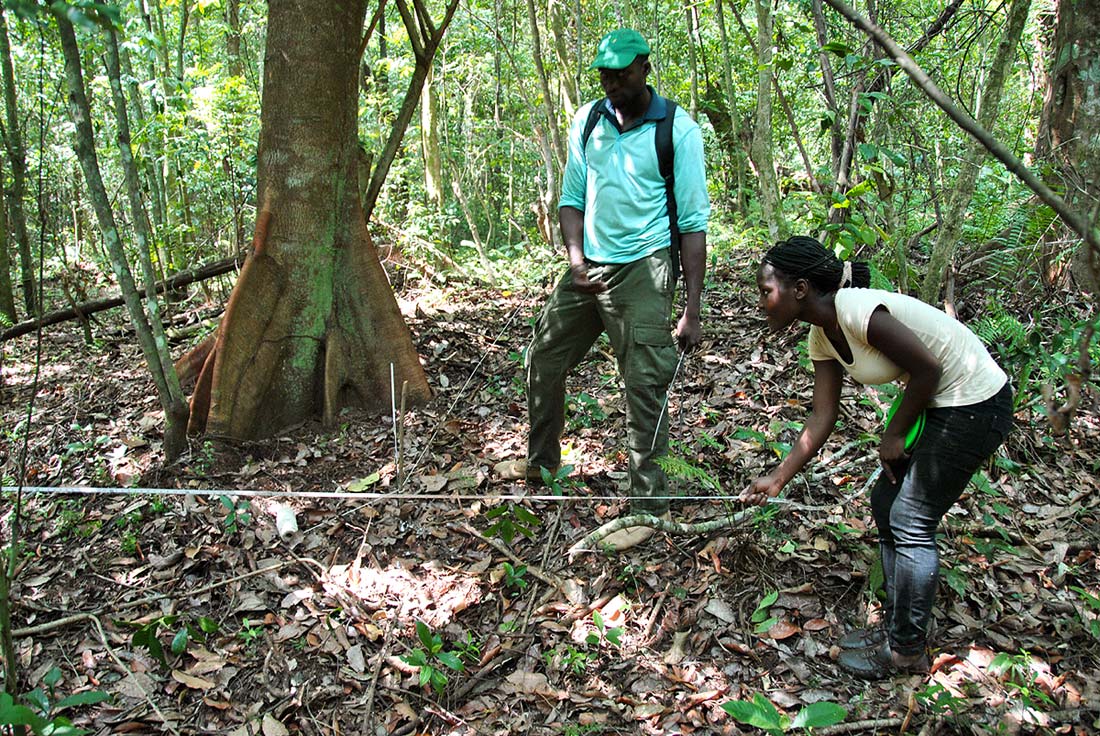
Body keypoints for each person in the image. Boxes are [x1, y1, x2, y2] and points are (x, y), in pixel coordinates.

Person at [742, 235, 1013, 679]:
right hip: (941, 403)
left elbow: (929, 368)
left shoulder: (855, 309)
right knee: (887, 504)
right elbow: (822, 416)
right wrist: (777, 479)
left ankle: (906, 651)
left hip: (976, 401)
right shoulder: (821, 336)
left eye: (765, 291)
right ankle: (895, 627)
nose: (761, 302)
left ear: (800, 289)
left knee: (911, 519)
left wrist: (895, 433)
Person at [495, 29, 710, 550]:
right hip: (587, 266)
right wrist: (573, 260)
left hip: (645, 267)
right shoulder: (588, 120)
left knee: (643, 379)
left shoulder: (678, 131)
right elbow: (571, 197)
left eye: (621, 73)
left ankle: (647, 506)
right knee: (543, 356)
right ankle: (541, 464)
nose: (611, 83)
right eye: (604, 75)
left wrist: (692, 309)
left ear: (644, 68)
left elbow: (694, 224)